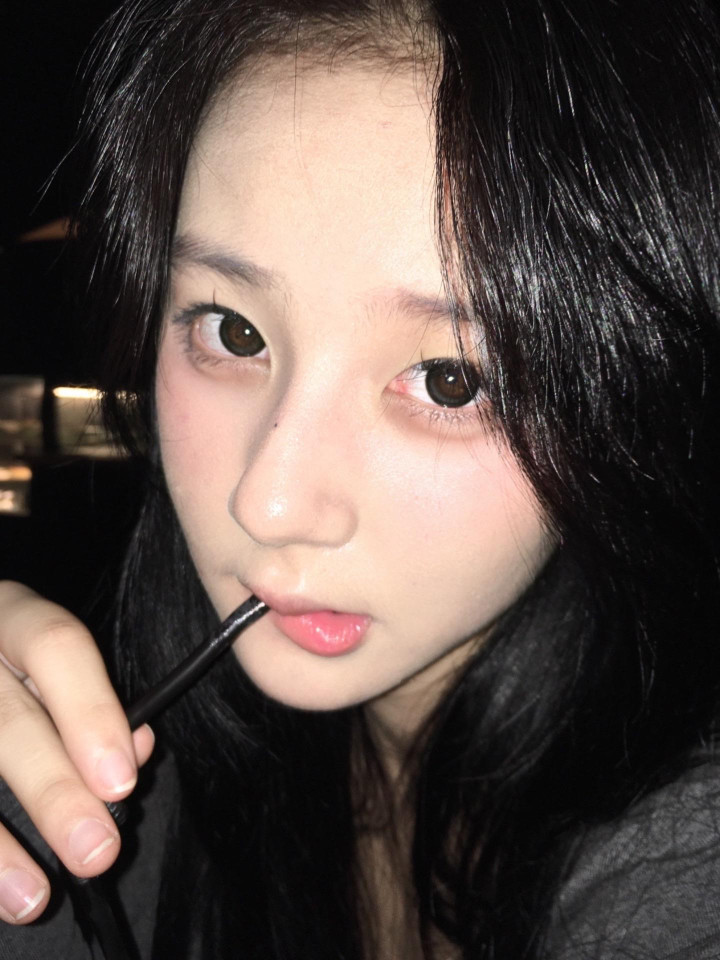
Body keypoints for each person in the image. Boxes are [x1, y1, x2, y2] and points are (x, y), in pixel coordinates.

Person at [2, 0, 720, 957]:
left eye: (450, 380)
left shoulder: (685, 867)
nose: (269, 503)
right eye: (233, 333)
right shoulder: (149, 798)